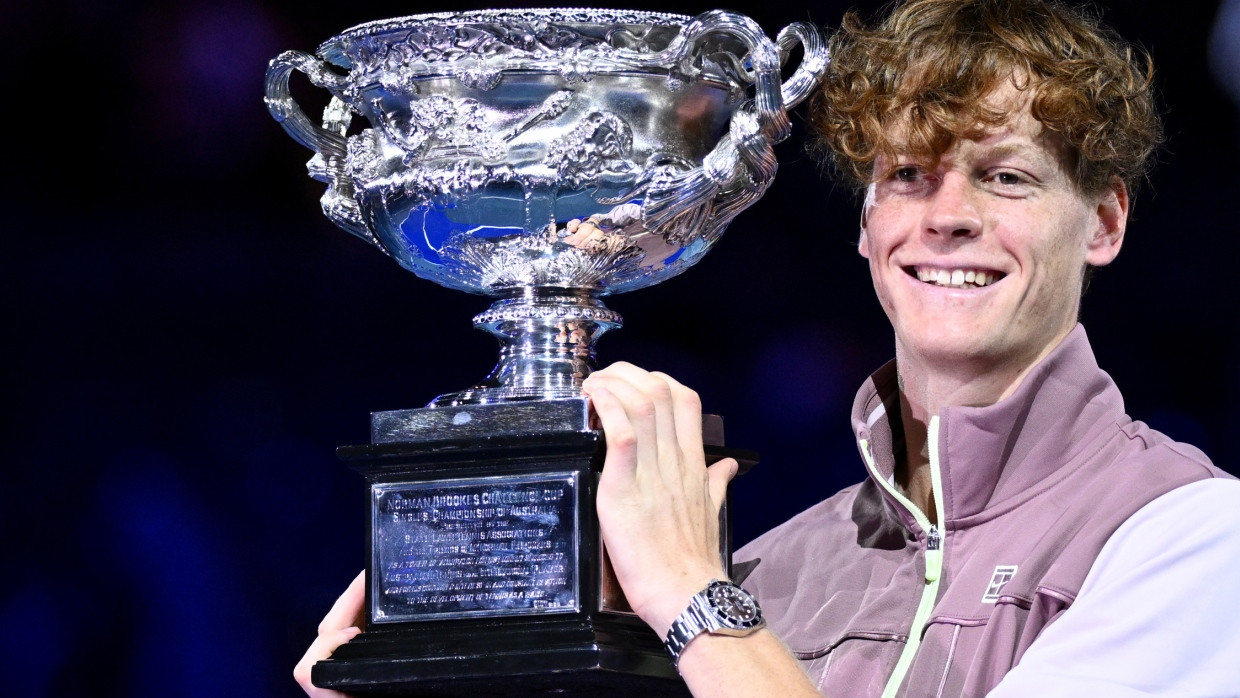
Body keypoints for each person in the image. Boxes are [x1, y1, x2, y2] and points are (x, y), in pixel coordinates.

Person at [296, 0, 1240, 695]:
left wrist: (690, 595)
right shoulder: (774, 572)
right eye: (909, 176)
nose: (947, 217)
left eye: (1005, 177)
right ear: (866, 225)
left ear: (1104, 221)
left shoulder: (1191, 537)